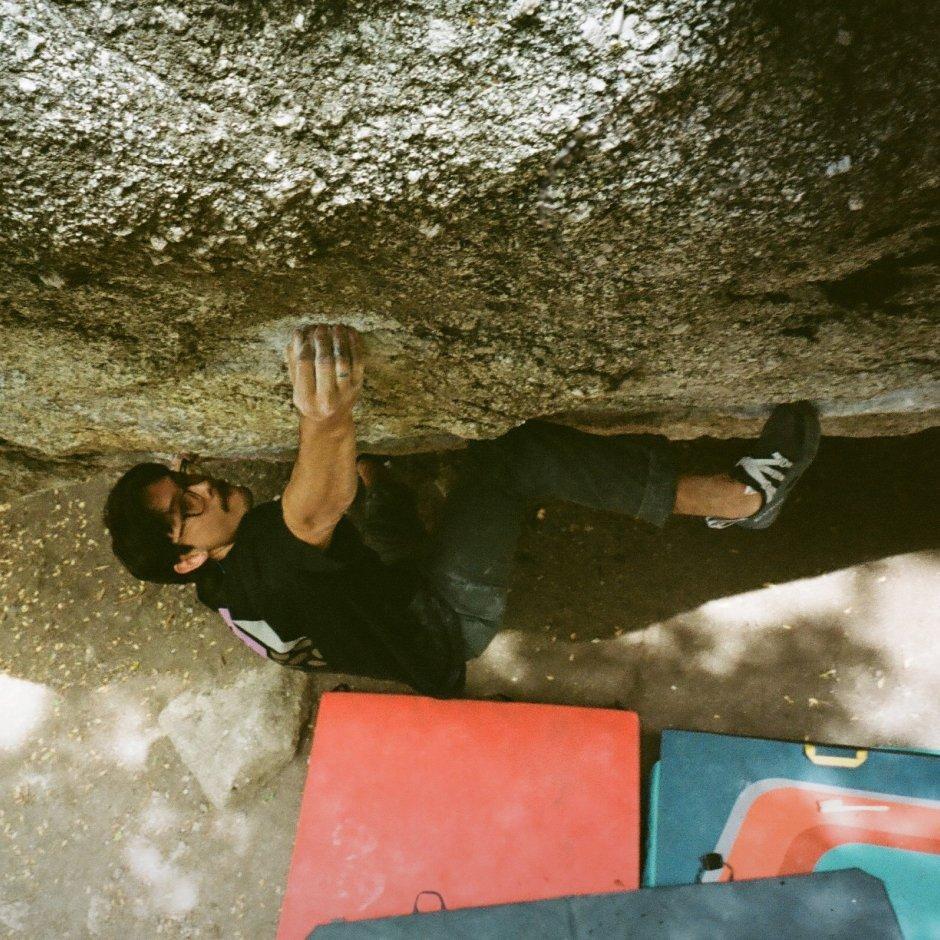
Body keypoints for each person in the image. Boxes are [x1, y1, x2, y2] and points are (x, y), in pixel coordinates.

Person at [103, 324, 820, 696]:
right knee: (512, 459)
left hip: (379, 600)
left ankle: (399, 507)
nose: (202, 495)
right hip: (438, 625)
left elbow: (322, 560)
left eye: (184, 484)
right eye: (183, 516)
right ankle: (743, 500)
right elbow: (313, 515)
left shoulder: (222, 587)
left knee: (369, 490)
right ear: (189, 556)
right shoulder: (262, 564)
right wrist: (325, 417)